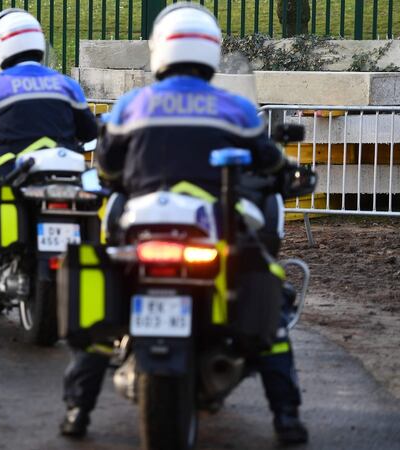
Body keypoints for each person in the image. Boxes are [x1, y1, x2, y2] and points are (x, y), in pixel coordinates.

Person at [60, 3, 309, 446]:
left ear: (160, 51)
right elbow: (270, 165)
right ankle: (286, 417)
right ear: (211, 51)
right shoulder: (235, 108)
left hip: (141, 225)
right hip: (213, 227)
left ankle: (79, 409)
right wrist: (288, 174)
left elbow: (108, 170)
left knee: (104, 309)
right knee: (265, 299)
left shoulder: (131, 104)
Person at [0, 8, 97, 206]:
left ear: (2, 45)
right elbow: (89, 131)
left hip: (10, 170)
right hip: (63, 170)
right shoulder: (67, 85)